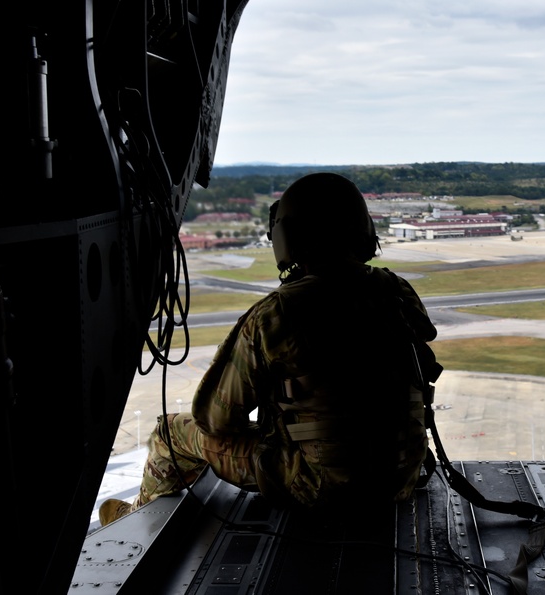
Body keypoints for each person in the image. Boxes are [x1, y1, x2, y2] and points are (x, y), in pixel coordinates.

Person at [100, 172, 438, 525]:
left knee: (170, 433)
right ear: (363, 231)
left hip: (317, 487)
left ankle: (136, 516)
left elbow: (213, 419)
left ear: (288, 237)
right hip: (399, 477)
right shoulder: (398, 293)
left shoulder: (278, 313)